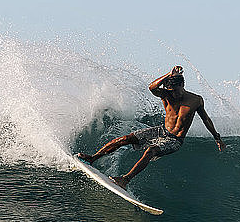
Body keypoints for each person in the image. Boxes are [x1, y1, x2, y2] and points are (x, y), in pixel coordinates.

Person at [77, 65, 226, 189]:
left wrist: (217, 138)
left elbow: (206, 119)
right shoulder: (166, 94)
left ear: (182, 85)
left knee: (151, 150)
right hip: (162, 130)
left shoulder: (196, 100)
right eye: (169, 90)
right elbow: (152, 87)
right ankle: (92, 158)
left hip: (175, 140)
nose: (172, 93)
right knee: (125, 139)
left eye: (175, 90)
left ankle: (125, 180)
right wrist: (169, 74)